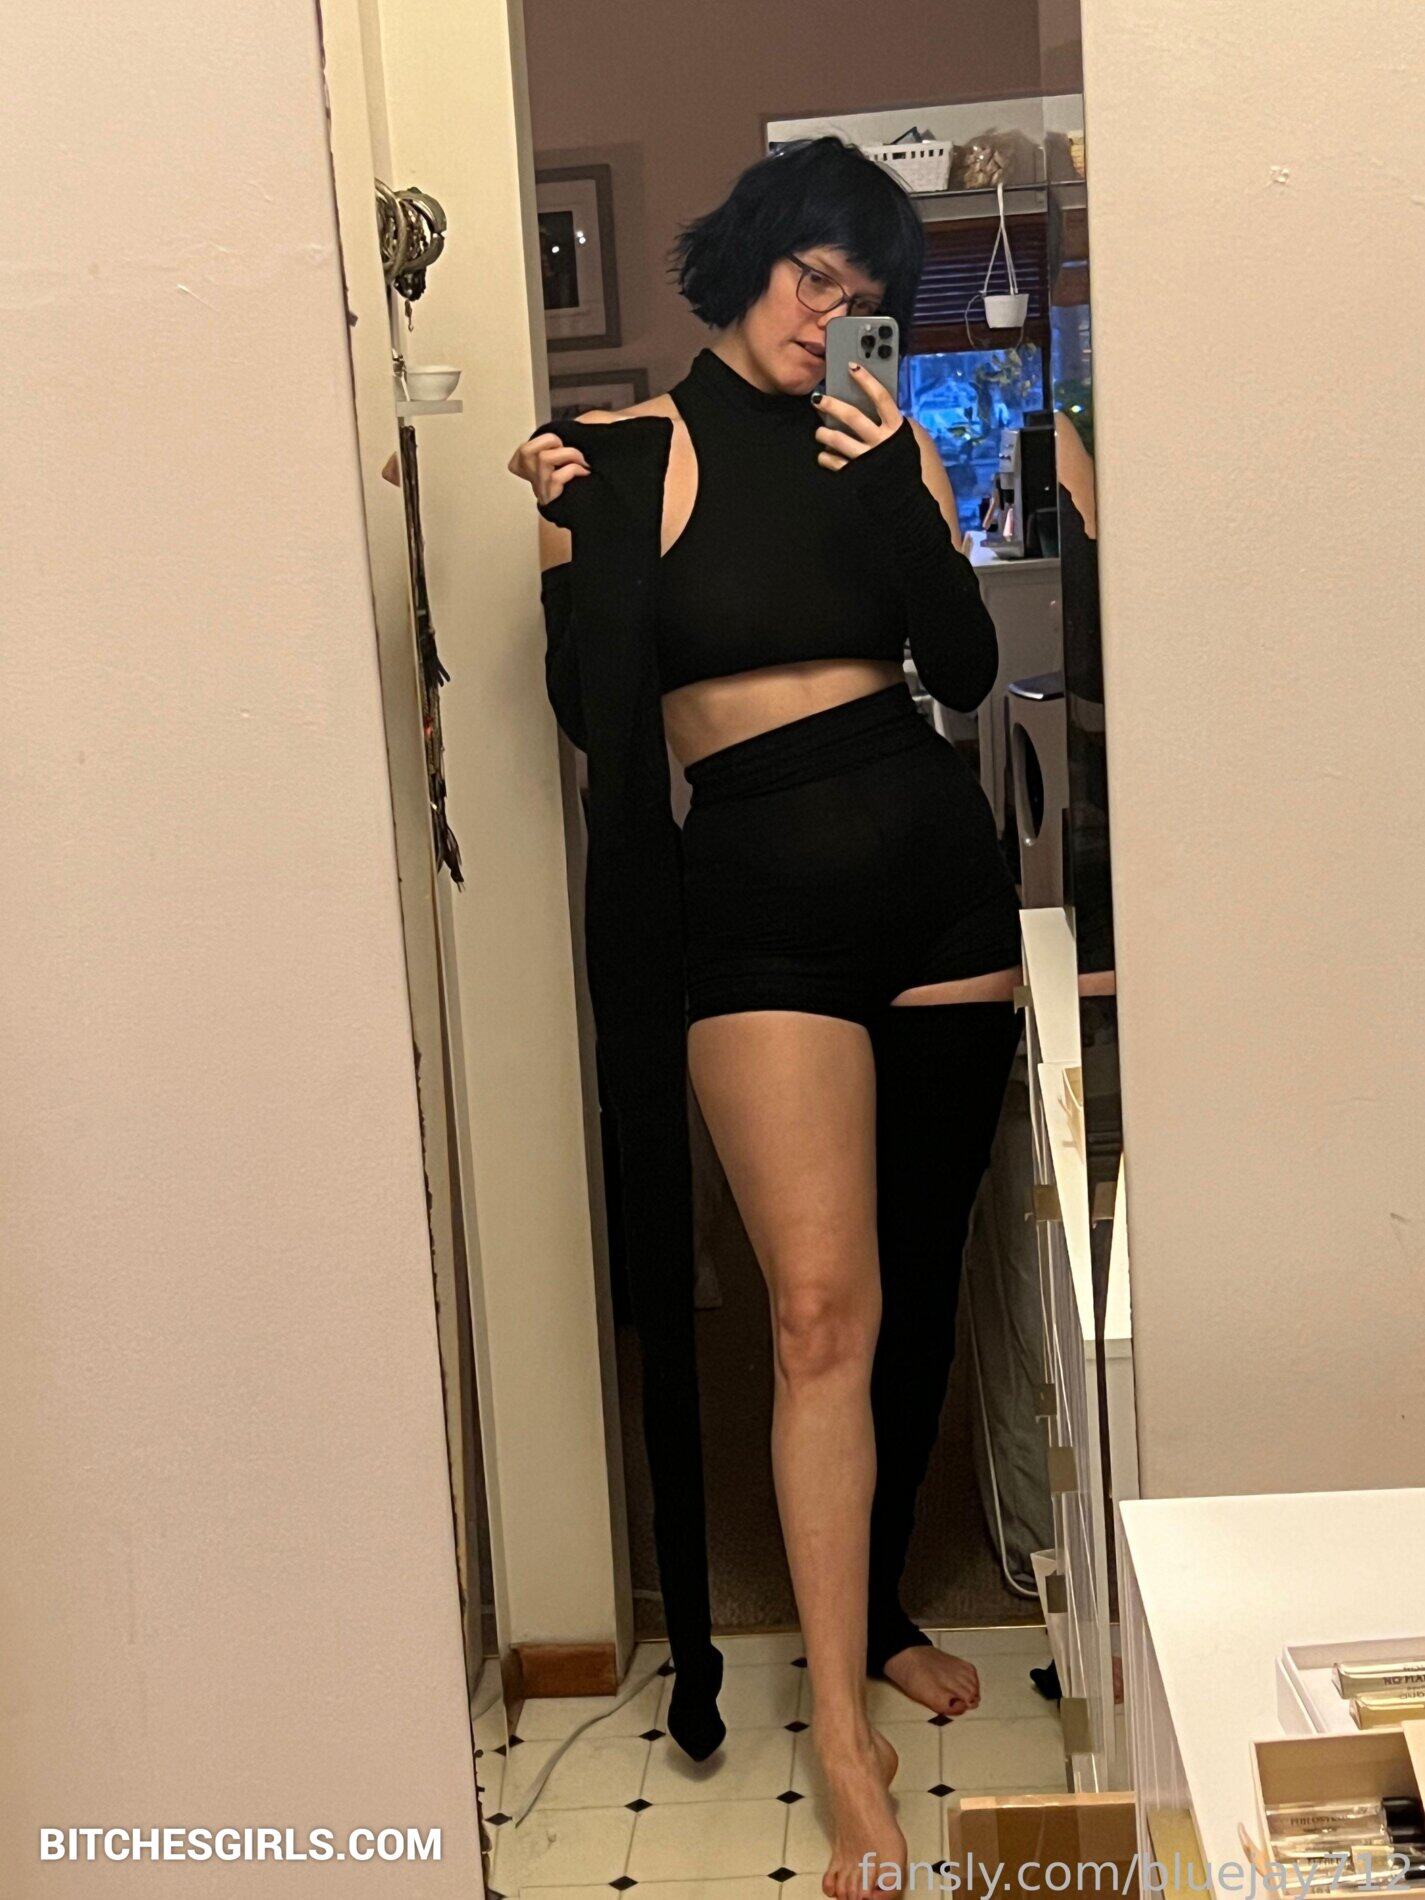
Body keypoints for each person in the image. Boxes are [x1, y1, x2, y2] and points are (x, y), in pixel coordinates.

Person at [509, 136, 1023, 1900]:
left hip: (937, 893)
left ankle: (877, 1612)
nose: (832, 318)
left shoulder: (886, 448)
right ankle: (844, 1738)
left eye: (862, 297)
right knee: (815, 1312)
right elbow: (593, 715)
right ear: (746, 261)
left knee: (919, 1276)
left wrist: (900, 495)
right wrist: (569, 544)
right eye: (816, 279)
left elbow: (963, 672)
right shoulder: (627, 455)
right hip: (756, 918)